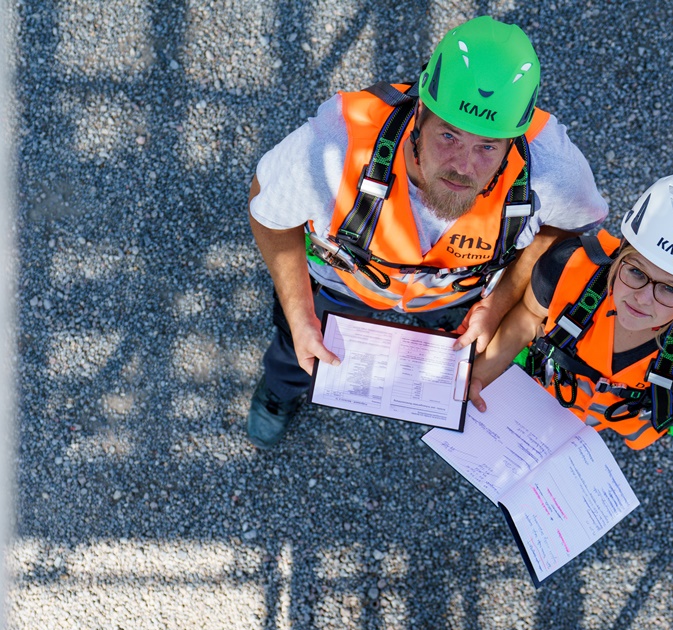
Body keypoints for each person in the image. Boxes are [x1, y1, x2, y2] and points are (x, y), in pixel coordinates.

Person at [245, 15, 608, 449]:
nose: (463, 166)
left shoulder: (553, 169)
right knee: (294, 347)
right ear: (419, 112)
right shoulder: (336, 145)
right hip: (338, 284)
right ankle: (281, 391)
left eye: (488, 147)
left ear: (515, 140)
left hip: (460, 296)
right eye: (449, 136)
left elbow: (568, 232)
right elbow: (268, 210)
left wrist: (499, 304)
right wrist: (300, 314)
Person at [468, 171, 673, 478]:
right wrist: (482, 373)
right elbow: (529, 317)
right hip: (553, 398)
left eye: (670, 289)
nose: (642, 299)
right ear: (619, 254)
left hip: (620, 418)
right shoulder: (569, 267)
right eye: (636, 272)